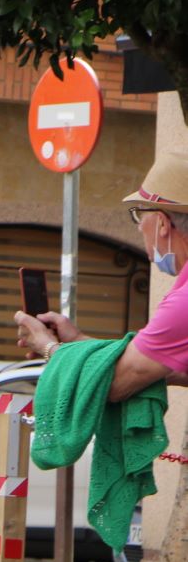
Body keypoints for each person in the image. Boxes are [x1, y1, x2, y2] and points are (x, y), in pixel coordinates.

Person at [16, 151, 188, 397]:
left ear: (162, 223)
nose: (139, 226)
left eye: (140, 213)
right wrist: (75, 339)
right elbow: (155, 365)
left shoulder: (184, 303)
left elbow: (115, 383)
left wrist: (47, 346)